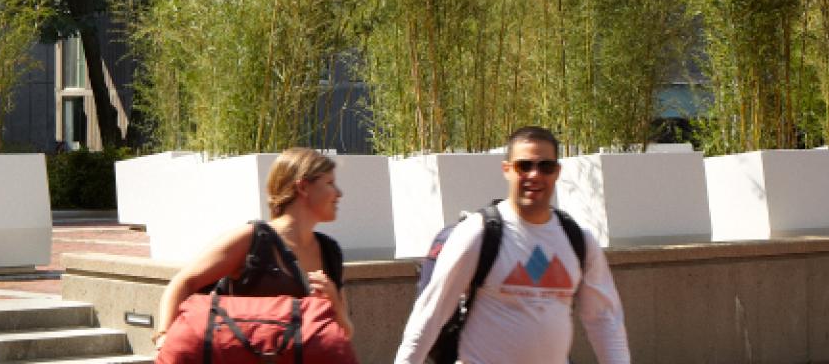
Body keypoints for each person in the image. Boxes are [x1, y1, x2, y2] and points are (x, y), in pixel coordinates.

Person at [390, 126, 629, 364]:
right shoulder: (479, 233)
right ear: (507, 170)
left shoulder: (579, 240)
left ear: (557, 172)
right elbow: (431, 313)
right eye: (524, 166)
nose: (534, 175)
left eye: (545, 167)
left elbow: (604, 320)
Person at [155, 147, 354, 342]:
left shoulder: (330, 251)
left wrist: (335, 303)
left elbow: (345, 334)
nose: (339, 193)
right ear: (302, 187)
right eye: (330, 182)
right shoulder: (253, 240)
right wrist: (163, 337)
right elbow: (183, 282)